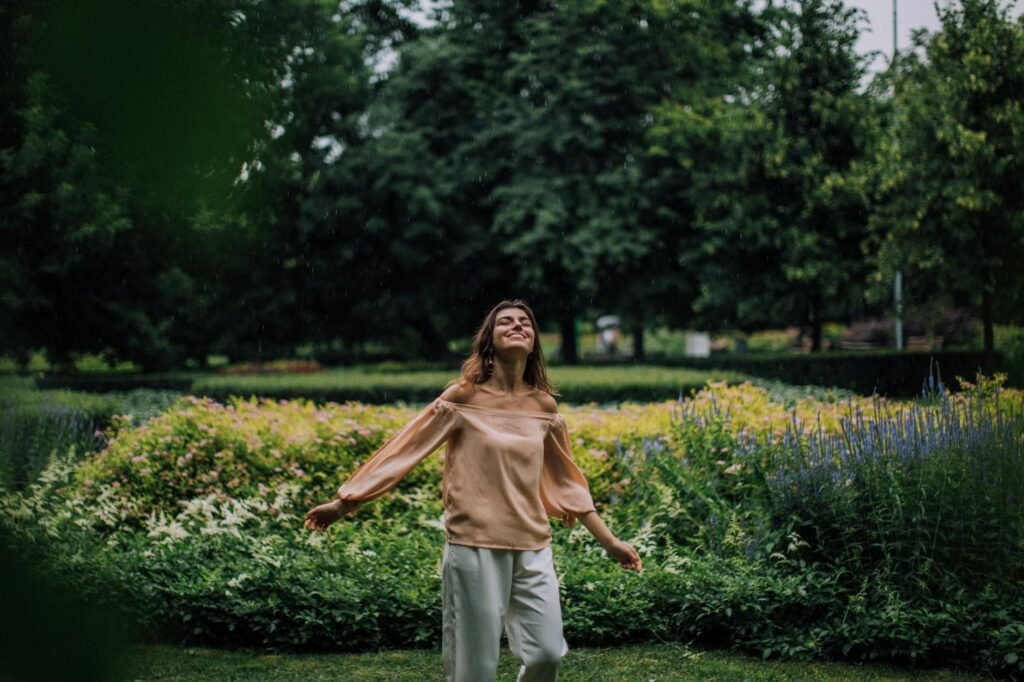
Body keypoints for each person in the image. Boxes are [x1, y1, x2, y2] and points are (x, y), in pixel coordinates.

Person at [304, 299, 642, 681]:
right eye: (506, 322)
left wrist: (610, 542)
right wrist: (345, 502)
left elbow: (568, 485)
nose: (517, 326)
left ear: (534, 343)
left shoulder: (544, 406)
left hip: (533, 546)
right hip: (473, 544)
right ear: (489, 341)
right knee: (475, 668)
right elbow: (404, 449)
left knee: (547, 652)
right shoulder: (463, 397)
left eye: (525, 323)